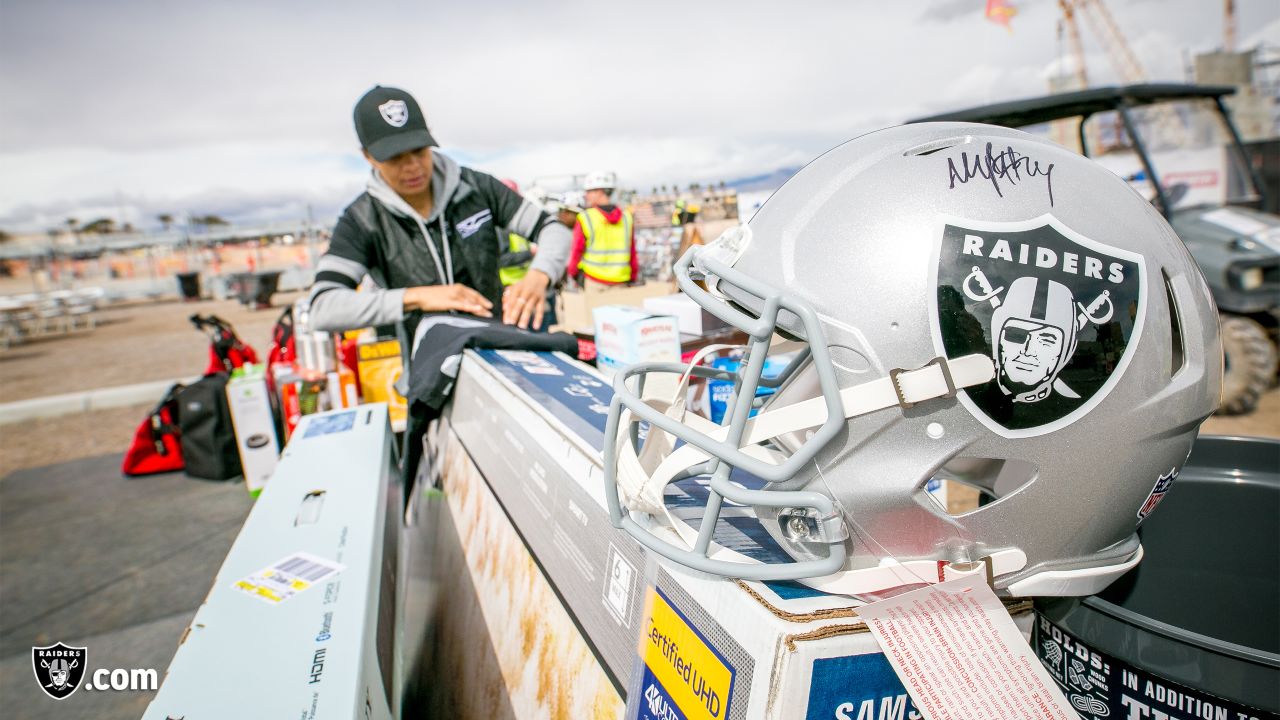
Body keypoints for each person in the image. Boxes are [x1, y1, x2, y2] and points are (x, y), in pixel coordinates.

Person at [308, 86, 570, 336]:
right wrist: (417, 297)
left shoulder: (476, 187)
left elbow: (554, 229)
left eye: (419, 151)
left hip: (498, 347)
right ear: (368, 156)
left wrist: (539, 274)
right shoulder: (362, 219)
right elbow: (323, 306)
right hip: (428, 370)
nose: (412, 166)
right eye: (395, 157)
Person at [566, 171, 638, 288]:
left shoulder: (585, 218)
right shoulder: (626, 217)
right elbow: (632, 252)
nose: (586, 195)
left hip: (594, 281)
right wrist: (633, 276)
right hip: (621, 281)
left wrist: (573, 273)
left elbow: (576, 251)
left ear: (599, 192)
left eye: (589, 191)